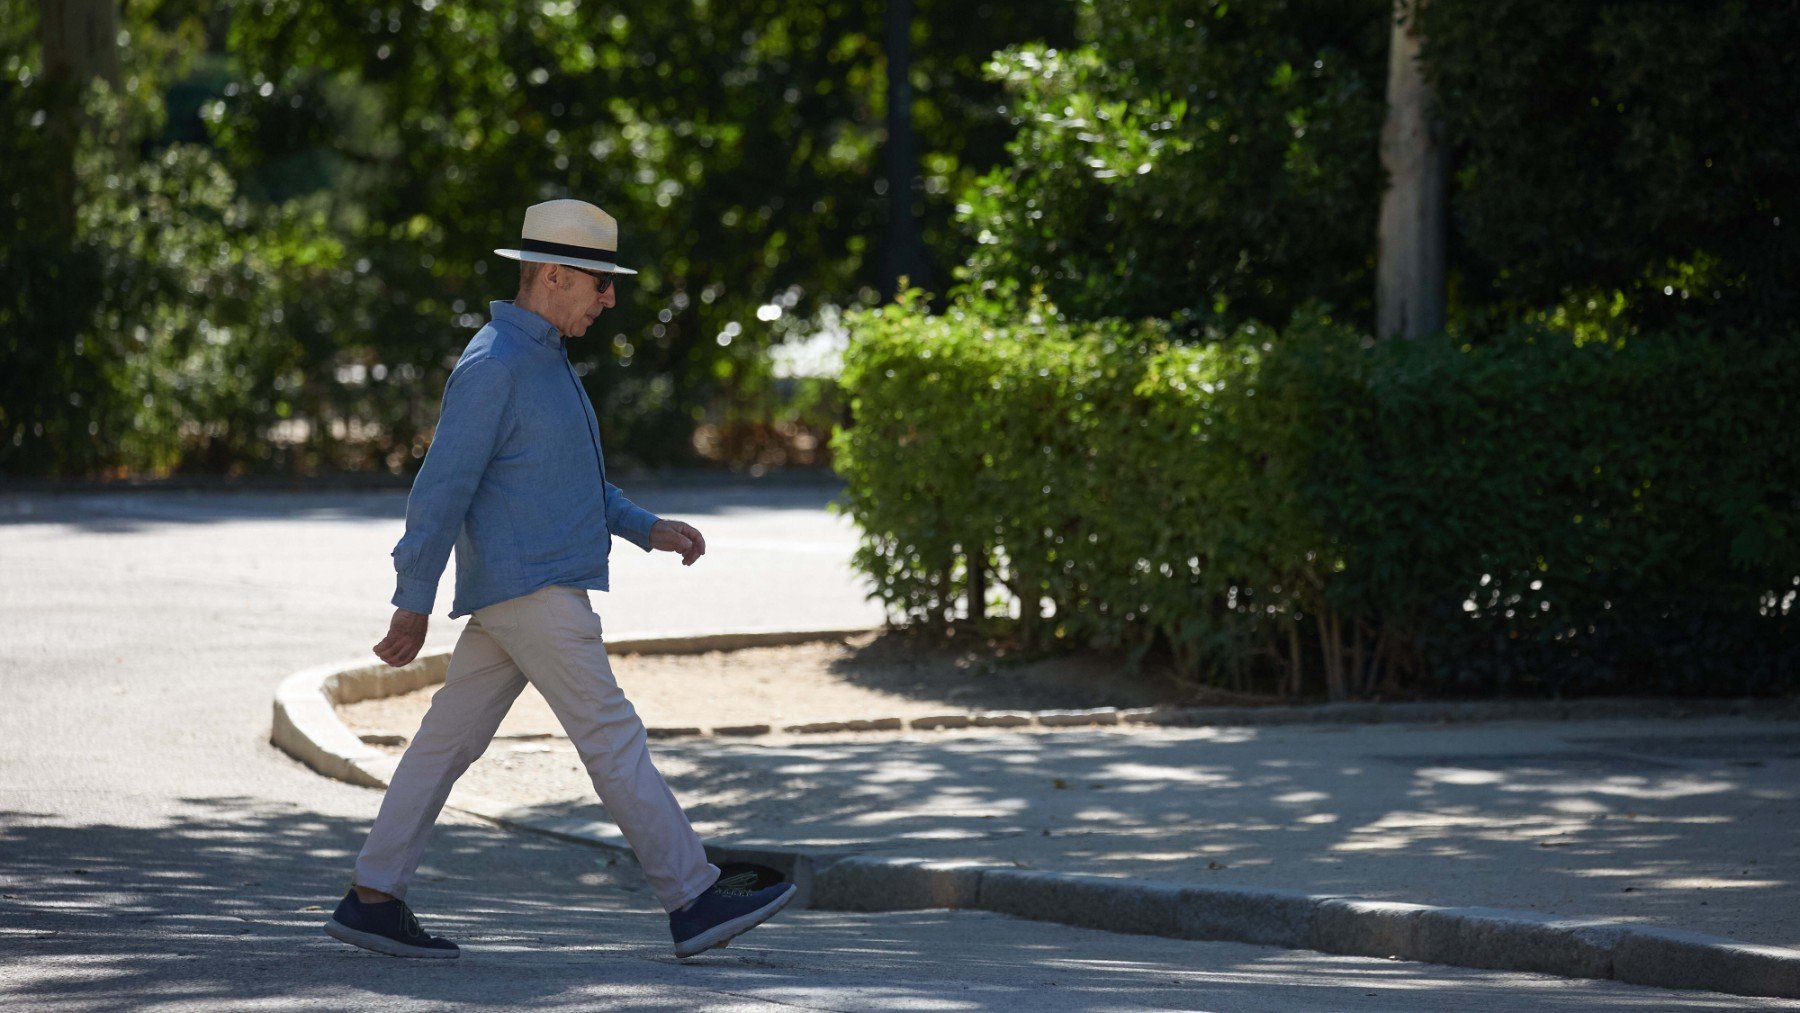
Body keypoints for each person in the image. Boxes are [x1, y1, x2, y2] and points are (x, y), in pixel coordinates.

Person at [323, 198, 795, 960]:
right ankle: (693, 897)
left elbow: (568, 482)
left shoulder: (543, 361)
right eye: (599, 284)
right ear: (551, 276)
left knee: (443, 745)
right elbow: (440, 489)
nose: (610, 299)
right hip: (535, 592)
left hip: (526, 591)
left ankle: (372, 897)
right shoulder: (495, 365)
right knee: (612, 735)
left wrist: (647, 527)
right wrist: (411, 601)